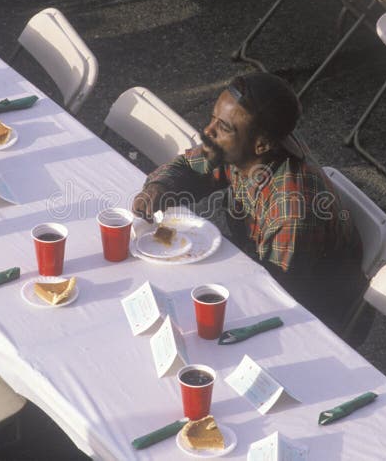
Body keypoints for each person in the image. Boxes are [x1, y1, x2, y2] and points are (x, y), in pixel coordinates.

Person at [132, 72, 368, 337]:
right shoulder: (241, 148)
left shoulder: (292, 212)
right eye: (212, 118)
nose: (207, 131)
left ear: (262, 145)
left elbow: (271, 296)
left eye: (222, 127)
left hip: (311, 316)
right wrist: (159, 187)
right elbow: (190, 165)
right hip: (256, 267)